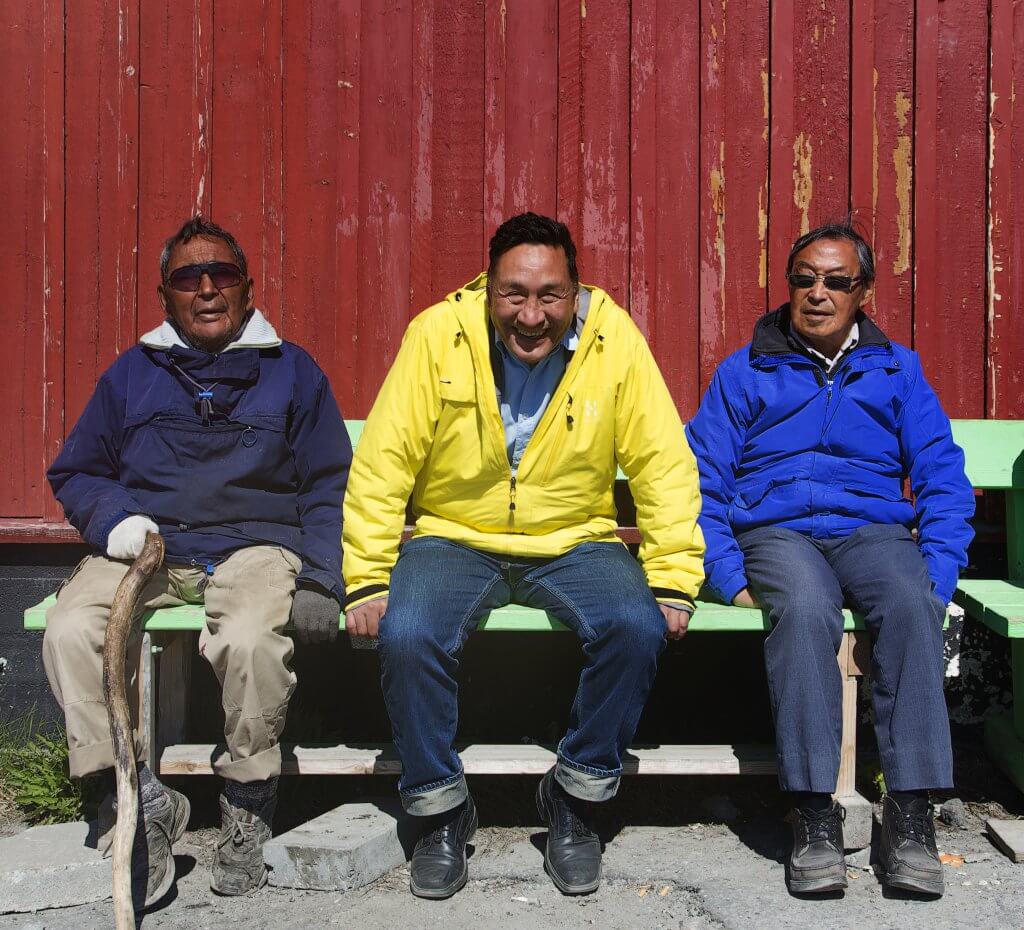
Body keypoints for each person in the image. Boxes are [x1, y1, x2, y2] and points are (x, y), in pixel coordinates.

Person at [342, 212, 705, 899]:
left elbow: (663, 464)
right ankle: (440, 811)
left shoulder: (614, 340)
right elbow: (384, 462)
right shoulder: (435, 336)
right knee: (409, 632)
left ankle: (575, 801)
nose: (531, 315)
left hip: (575, 539)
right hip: (454, 534)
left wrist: (674, 578)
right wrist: (365, 578)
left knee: (635, 626)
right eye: (514, 294)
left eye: (549, 296)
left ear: (575, 290)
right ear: (487, 290)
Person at [43, 216, 351, 906]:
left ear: (247, 289)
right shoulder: (133, 375)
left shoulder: (292, 371)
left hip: (253, 544)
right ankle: (130, 799)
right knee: (69, 631)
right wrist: (118, 525)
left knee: (248, 642)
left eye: (223, 275)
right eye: (188, 277)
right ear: (165, 295)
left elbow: (330, 481)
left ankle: (246, 802)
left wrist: (324, 579)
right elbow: (79, 471)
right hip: (149, 545)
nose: (207, 288)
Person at [686, 220, 974, 897]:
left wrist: (936, 568)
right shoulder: (745, 369)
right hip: (777, 533)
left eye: (836, 281)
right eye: (805, 279)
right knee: (808, 606)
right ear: (789, 287)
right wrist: (726, 575)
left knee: (911, 601)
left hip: (871, 532)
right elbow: (699, 479)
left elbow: (941, 474)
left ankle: (909, 813)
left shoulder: (897, 369)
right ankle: (812, 812)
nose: (818, 293)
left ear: (864, 292)